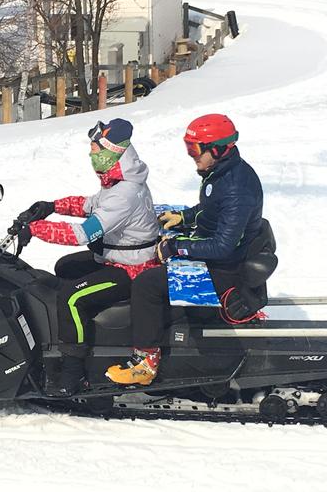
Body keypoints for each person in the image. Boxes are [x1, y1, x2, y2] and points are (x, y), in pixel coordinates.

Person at [105, 113, 264, 386]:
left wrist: (177, 247)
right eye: (188, 148)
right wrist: (184, 218)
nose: (192, 155)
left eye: (195, 149)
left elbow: (223, 245)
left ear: (218, 148)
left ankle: (145, 361)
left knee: (146, 284)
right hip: (219, 257)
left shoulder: (237, 187)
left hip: (224, 270)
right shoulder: (222, 172)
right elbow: (213, 211)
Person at [11, 117, 160, 396]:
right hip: (116, 258)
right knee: (65, 267)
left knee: (71, 296)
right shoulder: (117, 183)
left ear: (110, 154)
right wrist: (52, 206)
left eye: (94, 151)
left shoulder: (124, 194)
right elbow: (89, 205)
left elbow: (84, 233)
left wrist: (35, 229)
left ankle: (73, 372)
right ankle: (89, 335)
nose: (91, 156)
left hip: (132, 269)